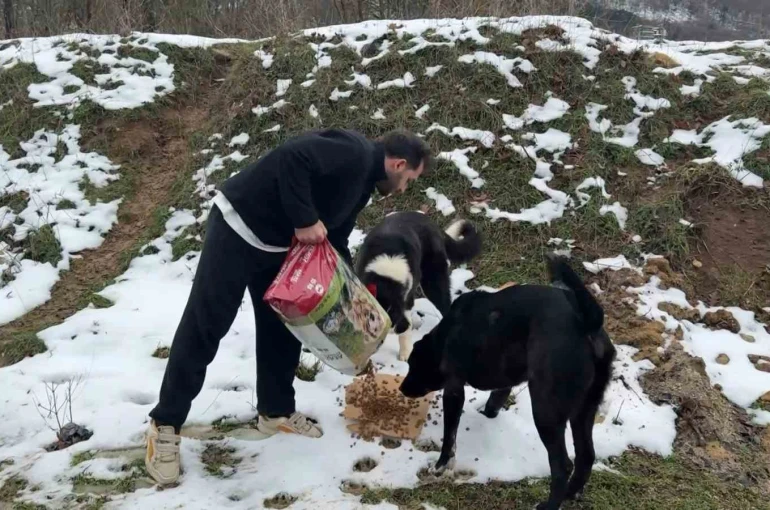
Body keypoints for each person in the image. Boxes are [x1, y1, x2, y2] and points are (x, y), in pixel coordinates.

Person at [145, 128, 431, 485]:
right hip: (239, 227)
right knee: (207, 324)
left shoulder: (362, 186)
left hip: (278, 248)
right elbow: (291, 158)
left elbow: (335, 237)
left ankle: (275, 411)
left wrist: (352, 294)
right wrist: (304, 219)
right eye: (407, 180)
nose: (403, 189)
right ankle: (165, 424)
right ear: (398, 163)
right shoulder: (354, 153)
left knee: (284, 327)